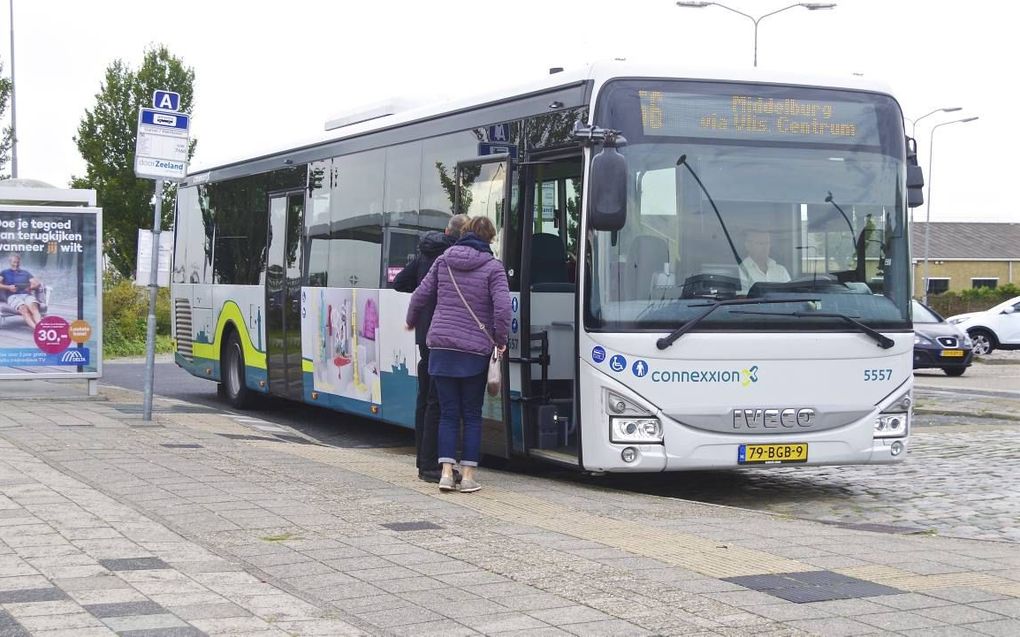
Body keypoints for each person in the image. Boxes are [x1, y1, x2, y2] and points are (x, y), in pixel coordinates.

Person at [405, 216, 511, 493]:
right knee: (472, 415)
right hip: (473, 350)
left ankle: (445, 474)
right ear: (489, 239)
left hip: (440, 347)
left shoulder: (443, 261)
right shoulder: (493, 267)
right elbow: (502, 309)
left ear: (464, 234)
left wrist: (410, 320)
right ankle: (468, 476)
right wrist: (500, 340)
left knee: (448, 413)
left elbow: (419, 295)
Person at [393, 213, 468, 483]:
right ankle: (431, 467)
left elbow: (400, 282)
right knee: (439, 403)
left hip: (425, 336)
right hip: (444, 338)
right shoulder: (452, 258)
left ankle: (422, 461)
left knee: (425, 400)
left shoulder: (426, 253)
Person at [739, 229, 790, 294]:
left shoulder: (781, 270)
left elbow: (790, 295)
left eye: (767, 243)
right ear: (748, 246)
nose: (765, 247)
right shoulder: (740, 271)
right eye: (760, 243)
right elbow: (742, 298)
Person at [0, 254, 44, 328]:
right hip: (13, 296)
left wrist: (30, 287)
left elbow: (37, 283)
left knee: (34, 308)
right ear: (10, 262)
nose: (16, 264)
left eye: (17, 262)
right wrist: (8, 287)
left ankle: (40, 327)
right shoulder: (4, 272)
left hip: (26, 295)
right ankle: (37, 329)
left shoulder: (25, 273)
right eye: (14, 262)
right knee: (23, 309)